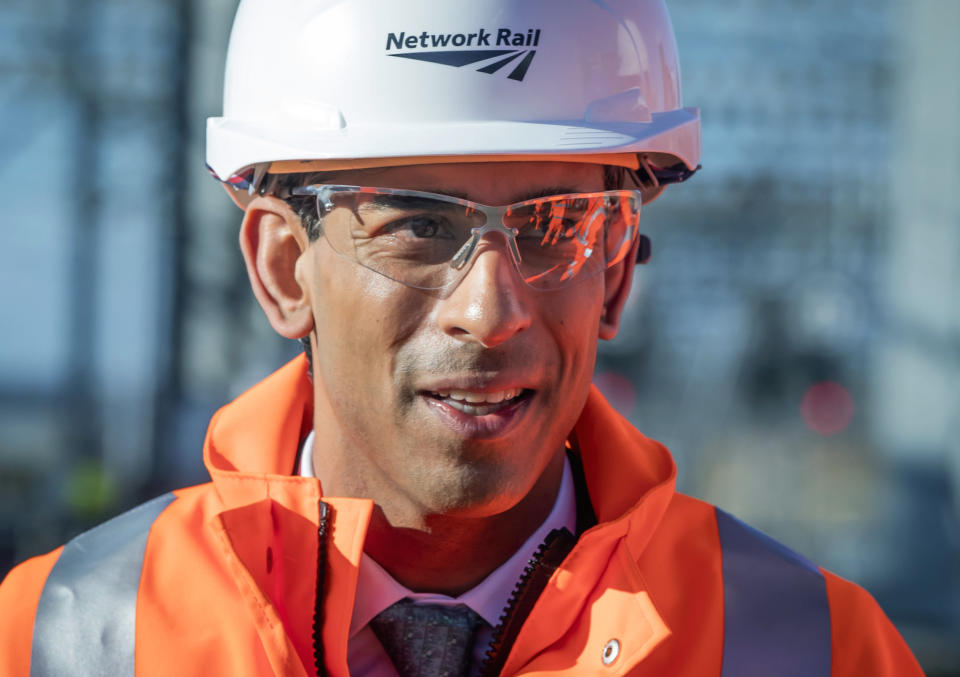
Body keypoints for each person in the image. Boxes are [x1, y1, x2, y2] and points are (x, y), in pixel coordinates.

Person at [0, 1, 924, 675]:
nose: (491, 308)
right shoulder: (67, 640)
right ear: (285, 268)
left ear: (617, 273)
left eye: (558, 224)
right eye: (420, 225)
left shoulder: (816, 648)